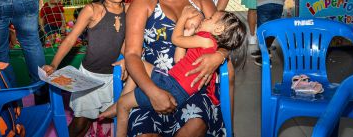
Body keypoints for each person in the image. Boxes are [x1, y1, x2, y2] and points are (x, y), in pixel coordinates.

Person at [123, 0, 229, 136]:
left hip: (193, 85)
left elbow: (227, 36)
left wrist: (219, 55)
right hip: (152, 81)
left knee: (195, 126)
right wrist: (153, 92)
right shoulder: (144, 3)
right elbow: (131, 54)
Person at [100, 7, 246, 137]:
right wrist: (188, 35)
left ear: (219, 30)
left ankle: (120, 106)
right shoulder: (208, 44)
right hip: (173, 82)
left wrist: (183, 17)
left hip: (172, 85)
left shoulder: (206, 39)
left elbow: (175, 39)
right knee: (140, 64)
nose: (204, 20)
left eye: (209, 19)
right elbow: (179, 59)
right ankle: (123, 100)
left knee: (124, 104)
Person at [42, 0, 130, 137]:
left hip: (115, 77)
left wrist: (127, 58)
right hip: (90, 78)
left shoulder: (130, 9)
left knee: (121, 119)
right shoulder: (93, 10)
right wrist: (53, 65)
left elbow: (129, 39)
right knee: (80, 123)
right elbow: (70, 39)